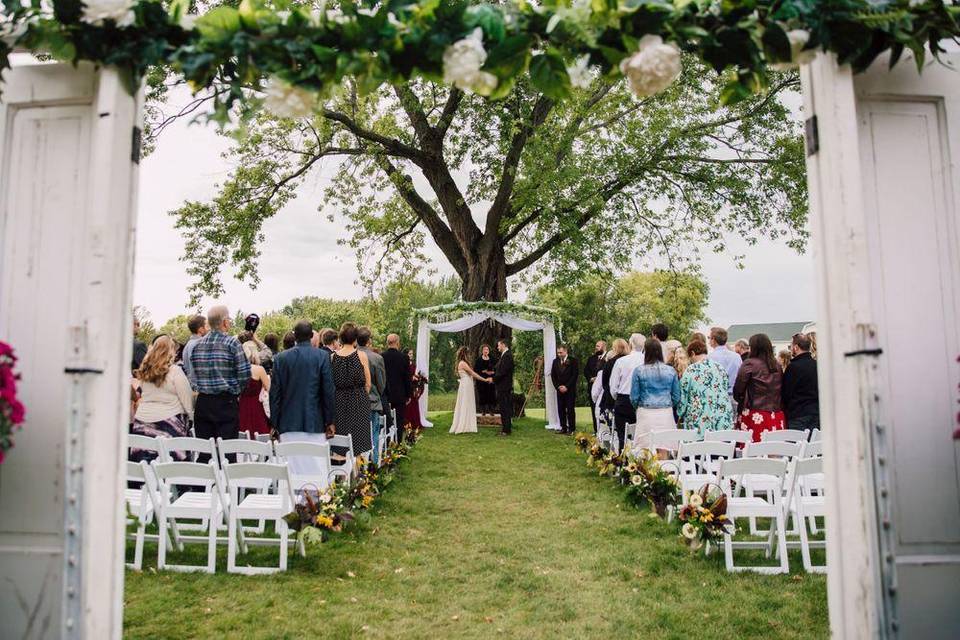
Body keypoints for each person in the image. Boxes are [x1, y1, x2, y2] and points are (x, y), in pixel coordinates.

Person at [269, 320, 336, 476]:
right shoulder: (322, 356)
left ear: (295, 336)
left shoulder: (281, 358)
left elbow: (275, 394)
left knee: (291, 469)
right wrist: (330, 421)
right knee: (315, 469)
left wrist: (274, 422)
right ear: (311, 335)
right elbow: (328, 391)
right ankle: (316, 499)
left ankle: (293, 499)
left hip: (287, 422)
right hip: (314, 421)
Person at [189, 305, 250, 462]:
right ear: (224, 322)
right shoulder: (232, 343)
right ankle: (226, 485)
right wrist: (235, 391)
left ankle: (202, 486)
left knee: (204, 451)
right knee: (227, 452)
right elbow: (244, 374)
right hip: (226, 402)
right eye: (229, 319)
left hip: (203, 402)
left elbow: (193, 376)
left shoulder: (197, 346)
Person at [130, 336, 193, 461]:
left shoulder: (144, 371)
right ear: (170, 351)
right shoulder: (175, 371)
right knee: (169, 464)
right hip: (169, 423)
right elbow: (186, 399)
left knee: (143, 461)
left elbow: (142, 393)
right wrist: (190, 417)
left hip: (143, 420)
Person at [733, 333, 785, 442]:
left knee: (752, 451)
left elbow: (738, 390)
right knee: (774, 451)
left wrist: (742, 401)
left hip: (755, 414)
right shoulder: (777, 365)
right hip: (776, 414)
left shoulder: (749, 364)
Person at [332, 322, 373, 458]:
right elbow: (368, 383)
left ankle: (341, 476)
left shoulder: (332, 357)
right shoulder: (361, 356)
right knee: (358, 443)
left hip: (339, 402)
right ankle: (358, 475)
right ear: (355, 339)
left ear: (341, 338)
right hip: (359, 400)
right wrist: (360, 396)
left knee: (340, 443)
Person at [629, 338, 681, 444]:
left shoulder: (639, 370)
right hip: (665, 412)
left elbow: (634, 397)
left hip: (645, 411)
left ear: (646, 352)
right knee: (664, 446)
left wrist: (638, 407)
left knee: (645, 449)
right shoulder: (671, 370)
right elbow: (676, 396)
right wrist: (668, 403)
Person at [677, 340, 733, 435]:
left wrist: (680, 413)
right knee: (721, 448)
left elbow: (683, 396)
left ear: (692, 353)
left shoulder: (691, 370)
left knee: (697, 448)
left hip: (699, 420)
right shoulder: (720, 368)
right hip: (722, 417)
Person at [609, 333, 646, 450]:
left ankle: (623, 462)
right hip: (643, 400)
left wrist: (618, 398)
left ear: (630, 344)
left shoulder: (621, 361)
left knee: (622, 436)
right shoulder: (648, 361)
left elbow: (613, 386)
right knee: (641, 436)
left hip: (623, 400)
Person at [357, 327, 387, 463]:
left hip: (355, 401)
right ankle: (373, 464)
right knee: (373, 433)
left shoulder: (349, 355)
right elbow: (381, 382)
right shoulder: (377, 358)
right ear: (369, 340)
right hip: (372, 400)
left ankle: (358, 466)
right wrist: (378, 393)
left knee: (357, 434)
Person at [781, 333, 819, 434]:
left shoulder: (793, 367)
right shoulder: (816, 365)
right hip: (815, 412)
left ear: (796, 347)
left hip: (797, 414)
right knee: (813, 446)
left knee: (795, 447)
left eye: (791, 346)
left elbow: (786, 393)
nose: (791, 349)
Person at [450, 347, 491, 434]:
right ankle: (464, 425)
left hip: (466, 385)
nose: (470, 356)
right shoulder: (463, 363)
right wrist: (484, 380)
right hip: (466, 386)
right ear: (465, 354)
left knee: (467, 403)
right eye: (468, 354)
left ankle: (467, 424)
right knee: (466, 403)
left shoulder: (462, 363)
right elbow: (473, 374)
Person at [238, 342, 271, 436]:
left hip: (242, 405)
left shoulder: (237, 370)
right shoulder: (259, 369)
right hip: (257, 407)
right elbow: (269, 389)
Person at [383, 334, 412, 440]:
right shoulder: (404, 358)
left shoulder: (382, 356)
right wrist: (409, 395)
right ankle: (397, 443)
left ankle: (387, 443)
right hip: (400, 394)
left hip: (386, 394)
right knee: (399, 421)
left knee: (386, 421)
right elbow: (407, 378)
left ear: (387, 343)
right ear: (398, 343)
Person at [600, 339, 630, 434]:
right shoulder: (631, 360)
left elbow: (605, 382)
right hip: (628, 397)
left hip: (613, 397)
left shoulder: (611, 363)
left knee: (616, 428)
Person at [550, 345, 579, 435]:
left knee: (570, 409)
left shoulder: (573, 361)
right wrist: (558, 386)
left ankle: (572, 429)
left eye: (561, 352)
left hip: (570, 390)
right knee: (561, 409)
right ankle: (563, 427)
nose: (559, 354)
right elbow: (553, 375)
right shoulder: (555, 362)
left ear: (566, 351)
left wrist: (566, 386)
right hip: (560, 390)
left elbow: (574, 375)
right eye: (558, 352)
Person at [707, 327, 741, 397]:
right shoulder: (736, 357)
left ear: (713, 339)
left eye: (709, 337)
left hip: (717, 396)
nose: (709, 340)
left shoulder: (709, 358)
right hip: (734, 395)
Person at [583, 340, 606, 432]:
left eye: (598, 346)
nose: (596, 348)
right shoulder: (591, 358)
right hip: (592, 387)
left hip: (603, 389)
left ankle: (604, 431)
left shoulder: (608, 358)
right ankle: (596, 430)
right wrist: (591, 378)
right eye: (596, 346)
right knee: (593, 409)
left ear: (604, 347)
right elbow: (586, 370)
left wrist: (599, 378)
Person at [493, 339, 514, 436]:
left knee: (505, 408)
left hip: (504, 386)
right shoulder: (504, 356)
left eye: (498, 345)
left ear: (503, 345)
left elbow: (503, 372)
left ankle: (506, 430)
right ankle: (505, 428)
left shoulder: (507, 356)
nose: (497, 348)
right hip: (502, 386)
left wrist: (493, 379)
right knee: (503, 408)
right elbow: (499, 369)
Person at [181, 314, 208, 389]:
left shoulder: (188, 344)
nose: (209, 329)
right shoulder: (198, 344)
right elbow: (194, 369)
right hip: (198, 387)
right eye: (207, 326)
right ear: (201, 329)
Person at [474, 344, 498, 416]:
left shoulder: (493, 359)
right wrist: (484, 372)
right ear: (482, 351)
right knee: (482, 395)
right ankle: (483, 411)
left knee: (491, 395)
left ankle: (491, 410)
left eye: (487, 349)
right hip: (481, 381)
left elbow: (497, 368)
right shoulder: (478, 360)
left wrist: (493, 372)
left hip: (490, 380)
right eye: (484, 349)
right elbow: (476, 370)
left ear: (489, 351)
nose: (486, 351)